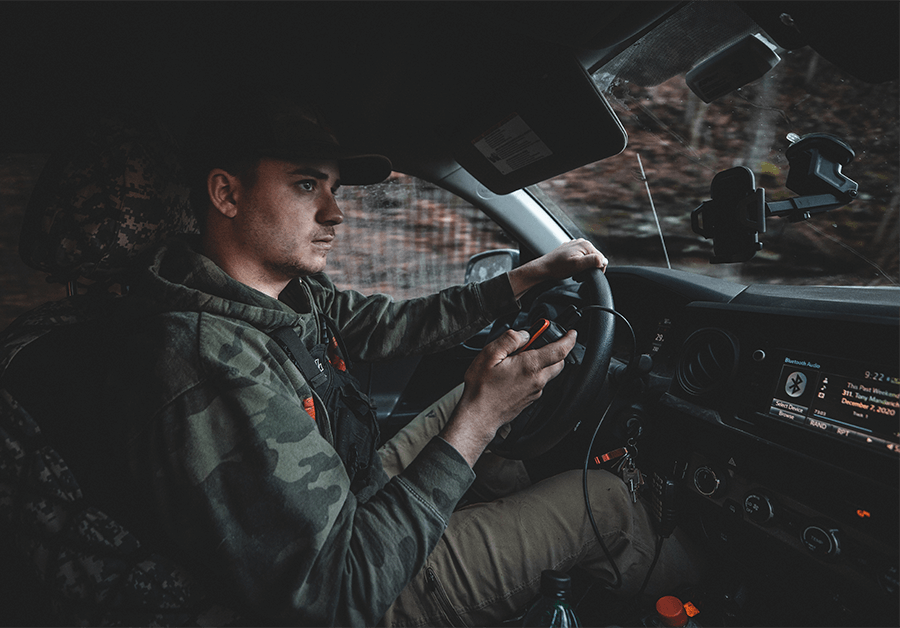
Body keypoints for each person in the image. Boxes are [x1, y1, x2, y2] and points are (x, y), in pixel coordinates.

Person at [0, 96, 700, 628]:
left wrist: (518, 282)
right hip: (362, 573)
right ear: (225, 193)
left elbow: (384, 322)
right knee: (601, 505)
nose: (337, 215)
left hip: (348, 490)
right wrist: (480, 420)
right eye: (307, 185)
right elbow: (337, 592)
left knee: (514, 394)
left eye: (334, 188)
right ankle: (717, 598)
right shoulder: (203, 361)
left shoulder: (275, 293)